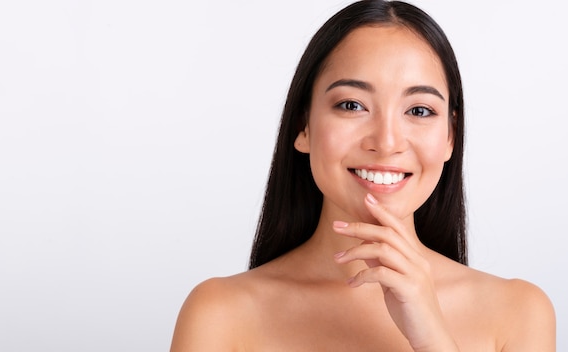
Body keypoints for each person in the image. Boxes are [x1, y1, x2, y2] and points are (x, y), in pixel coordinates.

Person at [170, 0, 556, 350]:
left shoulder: (518, 313)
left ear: (451, 136)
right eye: (352, 105)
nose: (386, 143)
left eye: (419, 111)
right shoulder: (220, 313)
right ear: (303, 125)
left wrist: (431, 335)